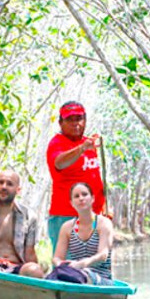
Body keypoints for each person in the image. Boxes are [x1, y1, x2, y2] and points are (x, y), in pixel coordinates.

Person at [46, 101, 106, 249]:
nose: (75, 124)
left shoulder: (89, 144)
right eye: (69, 120)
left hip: (94, 217)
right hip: (67, 217)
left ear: (85, 120)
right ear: (60, 123)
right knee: (69, 268)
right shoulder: (57, 143)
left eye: (78, 119)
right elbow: (59, 163)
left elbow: (94, 177)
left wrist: (103, 207)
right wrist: (81, 149)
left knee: (95, 265)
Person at [51, 182, 113, 285]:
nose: (81, 198)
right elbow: (57, 257)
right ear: (71, 202)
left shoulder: (103, 223)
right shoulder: (67, 227)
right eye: (76, 196)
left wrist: (82, 264)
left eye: (84, 194)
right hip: (75, 273)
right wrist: (61, 264)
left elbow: (103, 255)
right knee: (55, 276)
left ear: (92, 198)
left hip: (101, 278)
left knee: (79, 276)